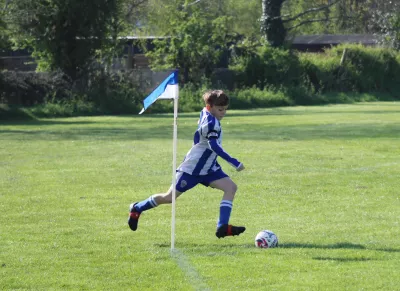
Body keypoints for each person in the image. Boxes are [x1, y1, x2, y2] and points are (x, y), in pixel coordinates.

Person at [128, 90, 246, 238]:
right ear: (210, 108)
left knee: (231, 187)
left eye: (225, 109)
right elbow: (215, 147)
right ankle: (136, 208)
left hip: (209, 168)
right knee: (169, 197)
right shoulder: (211, 124)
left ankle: (222, 226)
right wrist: (235, 162)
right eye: (220, 109)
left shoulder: (206, 112)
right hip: (192, 168)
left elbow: (205, 114)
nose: (223, 113)